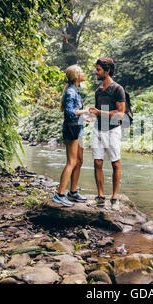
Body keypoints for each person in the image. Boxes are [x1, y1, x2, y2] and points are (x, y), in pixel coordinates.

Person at [89, 58, 126, 207]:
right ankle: (100, 195)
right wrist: (91, 116)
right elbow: (98, 113)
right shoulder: (98, 91)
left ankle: (115, 196)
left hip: (113, 130)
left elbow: (121, 113)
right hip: (98, 129)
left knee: (115, 163)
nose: (95, 72)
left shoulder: (118, 89)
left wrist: (101, 113)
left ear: (107, 70)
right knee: (97, 162)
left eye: (98, 69)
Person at [52, 64, 90, 207]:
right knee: (72, 162)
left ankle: (73, 192)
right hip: (71, 130)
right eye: (81, 71)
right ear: (75, 76)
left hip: (78, 128)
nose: (83, 73)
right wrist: (84, 111)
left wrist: (83, 117)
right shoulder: (70, 92)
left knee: (79, 161)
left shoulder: (75, 91)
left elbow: (74, 112)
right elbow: (69, 113)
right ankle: (60, 194)